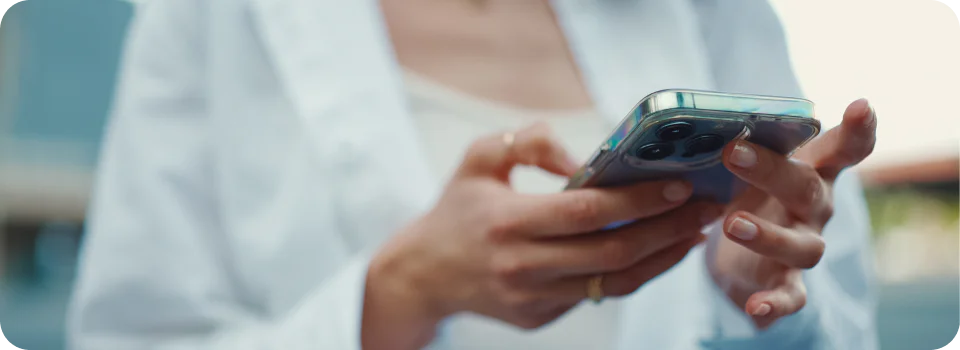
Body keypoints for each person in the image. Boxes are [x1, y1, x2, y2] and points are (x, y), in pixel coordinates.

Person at [67, 0, 879, 349]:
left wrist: (746, 296)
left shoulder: (711, 11)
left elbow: (840, 328)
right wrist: (396, 296)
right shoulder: (213, 17)